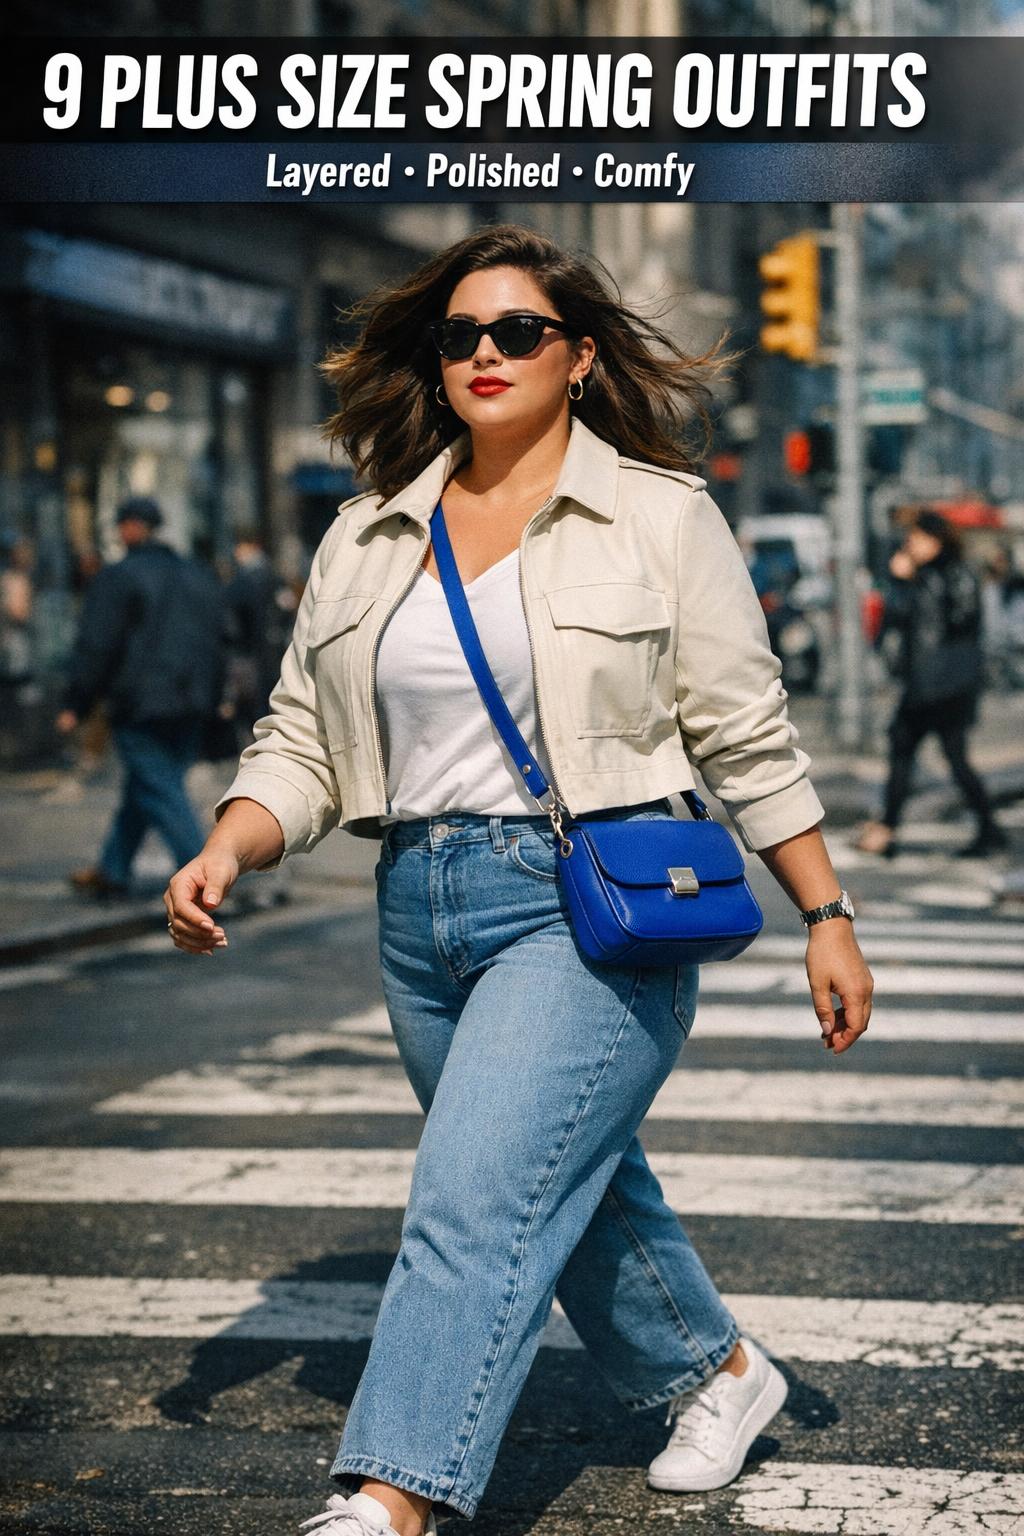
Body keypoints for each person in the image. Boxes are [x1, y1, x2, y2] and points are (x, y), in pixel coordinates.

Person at [164, 224, 873, 1534]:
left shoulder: (660, 518)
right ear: (433, 365)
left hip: (588, 906)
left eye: (518, 332)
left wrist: (826, 913)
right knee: (572, 1179)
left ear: (581, 357)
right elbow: (304, 737)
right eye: (459, 336)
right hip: (418, 904)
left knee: (474, 1197)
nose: (485, 353)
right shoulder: (370, 535)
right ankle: (720, 1369)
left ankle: (390, 1498)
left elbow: (744, 731)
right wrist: (232, 838)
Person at [57, 495, 226, 897]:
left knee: (161, 788)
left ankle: (203, 878)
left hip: (140, 703)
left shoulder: (119, 577)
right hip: (192, 700)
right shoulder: (198, 574)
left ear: (129, 528)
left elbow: (98, 645)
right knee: (145, 784)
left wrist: (75, 703)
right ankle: (112, 869)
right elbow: (220, 638)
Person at [856, 508, 1007, 860]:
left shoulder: (949, 576)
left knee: (922, 752)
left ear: (935, 540)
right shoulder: (935, 575)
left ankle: (890, 829)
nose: (911, 546)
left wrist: (906, 581)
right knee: (923, 752)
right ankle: (985, 827)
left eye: (917, 539)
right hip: (932, 685)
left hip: (940, 687)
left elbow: (953, 621)